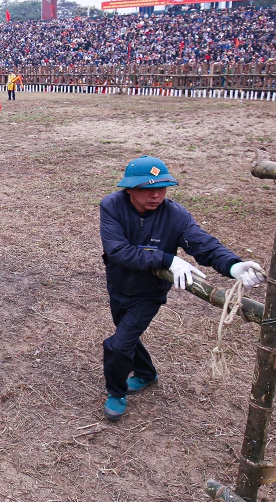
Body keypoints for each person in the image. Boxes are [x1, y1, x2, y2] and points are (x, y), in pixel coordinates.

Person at [98, 155, 265, 421]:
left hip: (149, 292)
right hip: (117, 283)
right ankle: (146, 373)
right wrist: (168, 259)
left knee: (118, 345)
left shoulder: (175, 215)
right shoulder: (112, 206)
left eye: (162, 188)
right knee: (126, 334)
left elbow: (203, 244)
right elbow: (118, 251)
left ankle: (116, 392)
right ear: (129, 189)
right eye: (147, 189)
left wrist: (233, 266)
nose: (156, 195)